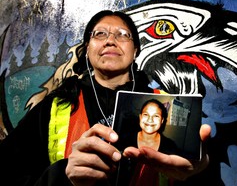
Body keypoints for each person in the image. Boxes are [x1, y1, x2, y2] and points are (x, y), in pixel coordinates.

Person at [0, 10, 211, 186]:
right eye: (99, 34)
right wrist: (61, 176)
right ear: (87, 49)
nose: (110, 40)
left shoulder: (170, 105)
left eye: (122, 35)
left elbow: (197, 174)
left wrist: (198, 171)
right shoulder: (56, 105)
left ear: (135, 50)